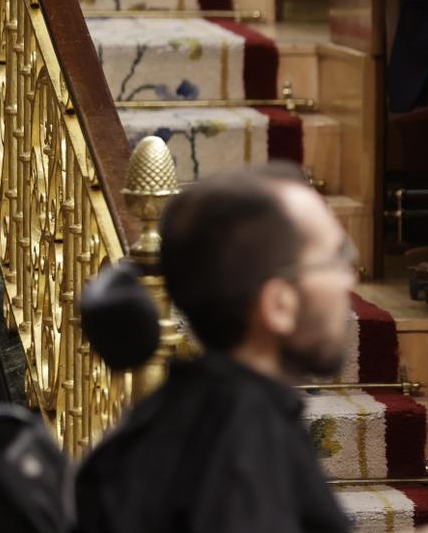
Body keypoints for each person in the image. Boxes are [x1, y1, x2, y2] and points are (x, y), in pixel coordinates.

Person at [75, 163, 357, 533]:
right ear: (278, 306)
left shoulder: (182, 412)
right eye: (336, 258)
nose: (349, 278)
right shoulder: (243, 445)